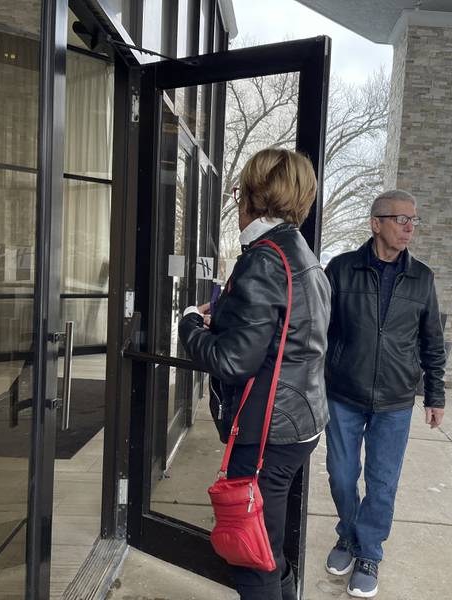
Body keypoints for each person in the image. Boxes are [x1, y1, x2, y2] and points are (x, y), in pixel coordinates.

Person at [178, 148, 330, 600]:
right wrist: (224, 321)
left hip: (269, 430)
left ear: (249, 198)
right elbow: (285, 336)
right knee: (270, 543)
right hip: (298, 421)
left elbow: (232, 362)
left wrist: (188, 323)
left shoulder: (263, 258)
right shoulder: (299, 254)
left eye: (238, 192)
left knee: (252, 554)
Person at [323, 189, 447, 598]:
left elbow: (432, 341)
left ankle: (369, 551)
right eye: (401, 219)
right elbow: (319, 334)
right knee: (342, 475)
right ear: (376, 223)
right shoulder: (340, 269)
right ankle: (348, 534)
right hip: (344, 392)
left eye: (414, 220)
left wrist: (435, 395)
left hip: (395, 400)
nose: (410, 227)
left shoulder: (422, 277)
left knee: (382, 482)